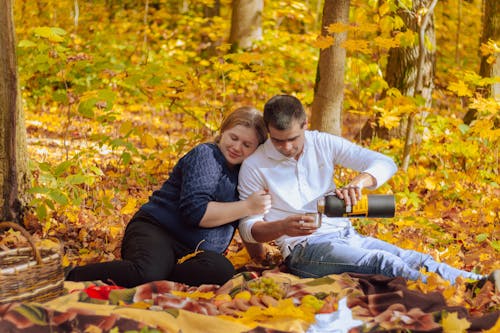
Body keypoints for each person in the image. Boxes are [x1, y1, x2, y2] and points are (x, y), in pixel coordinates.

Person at [238, 94, 498, 288]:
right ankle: (458, 291)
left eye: (292, 139)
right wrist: (283, 227)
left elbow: (386, 163)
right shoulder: (254, 165)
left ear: (305, 124)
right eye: (277, 140)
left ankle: (482, 283)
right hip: (304, 250)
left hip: (346, 234)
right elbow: (248, 228)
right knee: (384, 262)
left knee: (412, 256)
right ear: (268, 130)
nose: (285, 147)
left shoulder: (322, 142)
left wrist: (358, 183)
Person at [66, 106, 271, 288]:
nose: (237, 147)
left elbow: (246, 220)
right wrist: (248, 206)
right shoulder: (207, 156)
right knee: (145, 273)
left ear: (257, 149)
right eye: (233, 138)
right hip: (157, 231)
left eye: (247, 144)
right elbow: (196, 212)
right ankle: (68, 276)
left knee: (222, 271)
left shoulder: (247, 172)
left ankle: (162, 272)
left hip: (191, 254)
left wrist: (259, 258)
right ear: (222, 132)